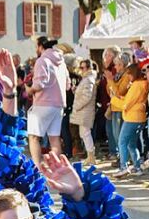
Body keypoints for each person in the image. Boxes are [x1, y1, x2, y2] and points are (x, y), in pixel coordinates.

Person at [26, 36, 69, 166]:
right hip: (59, 105)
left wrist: (29, 90)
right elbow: (68, 85)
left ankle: (37, 168)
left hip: (43, 104)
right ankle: (57, 168)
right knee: (54, 138)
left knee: (33, 137)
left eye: (36, 46)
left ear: (40, 46)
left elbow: (40, 84)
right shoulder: (62, 62)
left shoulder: (42, 60)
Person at [110, 63, 148, 176]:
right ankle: (137, 167)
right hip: (138, 117)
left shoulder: (137, 85)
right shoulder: (142, 84)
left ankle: (124, 167)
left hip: (132, 118)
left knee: (122, 142)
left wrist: (113, 100)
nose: (128, 77)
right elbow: (131, 100)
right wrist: (119, 98)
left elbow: (126, 105)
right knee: (131, 144)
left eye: (129, 74)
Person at [70, 58, 97, 165]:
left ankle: (91, 156)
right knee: (84, 133)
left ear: (89, 68)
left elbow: (87, 96)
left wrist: (76, 106)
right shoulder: (86, 78)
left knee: (85, 133)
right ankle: (90, 156)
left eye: (83, 67)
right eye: (80, 67)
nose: (81, 69)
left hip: (85, 111)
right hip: (83, 111)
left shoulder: (89, 79)